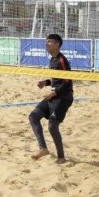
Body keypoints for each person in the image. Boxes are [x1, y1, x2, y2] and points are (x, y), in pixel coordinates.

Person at [29, 33, 73, 164]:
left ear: (57, 44)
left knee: (52, 126)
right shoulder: (52, 59)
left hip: (64, 97)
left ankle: (61, 157)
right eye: (46, 41)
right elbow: (56, 79)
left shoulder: (62, 60)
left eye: (50, 42)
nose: (46, 44)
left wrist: (53, 93)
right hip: (53, 95)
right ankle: (43, 149)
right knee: (33, 116)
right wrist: (46, 83)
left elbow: (67, 81)